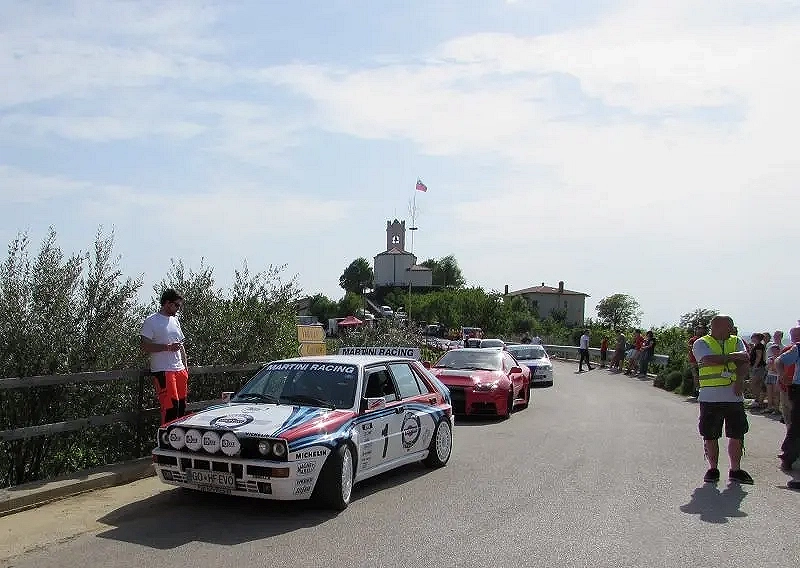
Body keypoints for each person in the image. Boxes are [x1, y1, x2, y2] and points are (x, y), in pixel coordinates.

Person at [692, 315, 753, 484]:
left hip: (734, 396)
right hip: (710, 397)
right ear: (717, 327)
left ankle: (736, 469)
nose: (731, 329)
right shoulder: (701, 342)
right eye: (728, 326)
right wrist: (734, 357)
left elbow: (745, 360)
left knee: (737, 433)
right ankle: (713, 469)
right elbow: (708, 360)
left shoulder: (737, 340)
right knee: (710, 434)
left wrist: (740, 380)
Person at [140, 289, 189, 426]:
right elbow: (144, 346)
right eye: (176, 305)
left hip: (179, 370)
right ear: (167, 303)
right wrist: (166, 347)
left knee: (181, 407)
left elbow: (181, 345)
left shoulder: (175, 320)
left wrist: (185, 368)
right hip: (163, 370)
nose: (178, 309)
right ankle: (167, 440)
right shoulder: (151, 321)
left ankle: (179, 441)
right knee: (170, 408)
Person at [775, 326, 800, 472]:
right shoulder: (798, 348)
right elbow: (780, 360)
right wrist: (782, 374)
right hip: (798, 389)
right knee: (796, 425)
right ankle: (789, 457)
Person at [748, 333, 767, 410]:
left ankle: (758, 400)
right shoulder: (756, 346)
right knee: (756, 384)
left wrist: (754, 366)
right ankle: (758, 400)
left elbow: (759, 357)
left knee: (754, 383)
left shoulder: (759, 346)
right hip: (758, 367)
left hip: (758, 367)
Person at [688, 324, 708, 399]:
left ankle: (702, 391)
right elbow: (690, 348)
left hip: (702, 360)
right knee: (696, 376)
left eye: (702, 329)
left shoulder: (705, 339)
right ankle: (696, 391)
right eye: (699, 329)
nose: (701, 330)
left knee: (702, 376)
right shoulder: (693, 339)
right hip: (694, 360)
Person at [765, 344, 781, 415]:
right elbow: (767, 368)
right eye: (773, 350)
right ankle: (769, 407)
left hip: (776, 376)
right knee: (769, 393)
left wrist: (773, 367)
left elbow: (779, 370)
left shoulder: (780, 359)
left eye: (775, 350)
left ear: (778, 350)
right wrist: (769, 365)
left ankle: (776, 409)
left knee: (776, 393)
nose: (774, 351)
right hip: (769, 376)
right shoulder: (770, 358)